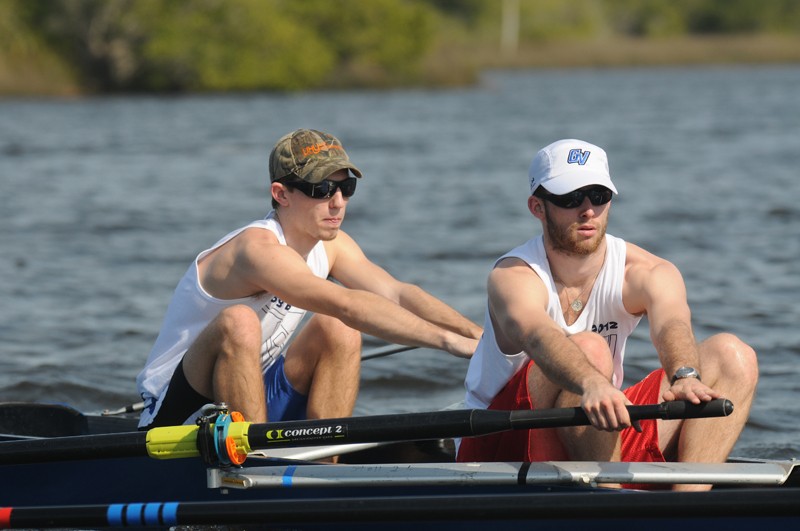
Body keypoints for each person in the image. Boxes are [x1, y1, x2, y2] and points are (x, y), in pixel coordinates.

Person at [456, 138, 758, 491]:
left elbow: (672, 324)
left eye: (598, 196)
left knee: (733, 355)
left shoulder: (646, 271)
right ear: (538, 207)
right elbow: (538, 335)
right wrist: (593, 381)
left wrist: (684, 375)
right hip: (500, 443)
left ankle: (687, 506)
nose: (587, 210)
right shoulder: (513, 277)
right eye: (570, 199)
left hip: (594, 427)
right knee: (592, 349)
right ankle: (614, 504)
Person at [136, 128, 481, 430]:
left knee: (339, 329)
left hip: (248, 393)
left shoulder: (331, 246)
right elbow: (347, 304)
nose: (338, 202)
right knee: (240, 321)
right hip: (177, 414)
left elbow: (398, 293)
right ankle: (255, 466)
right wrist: (448, 343)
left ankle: (324, 470)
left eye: (347, 187)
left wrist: (478, 337)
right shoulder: (256, 250)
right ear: (281, 194)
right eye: (323, 188)